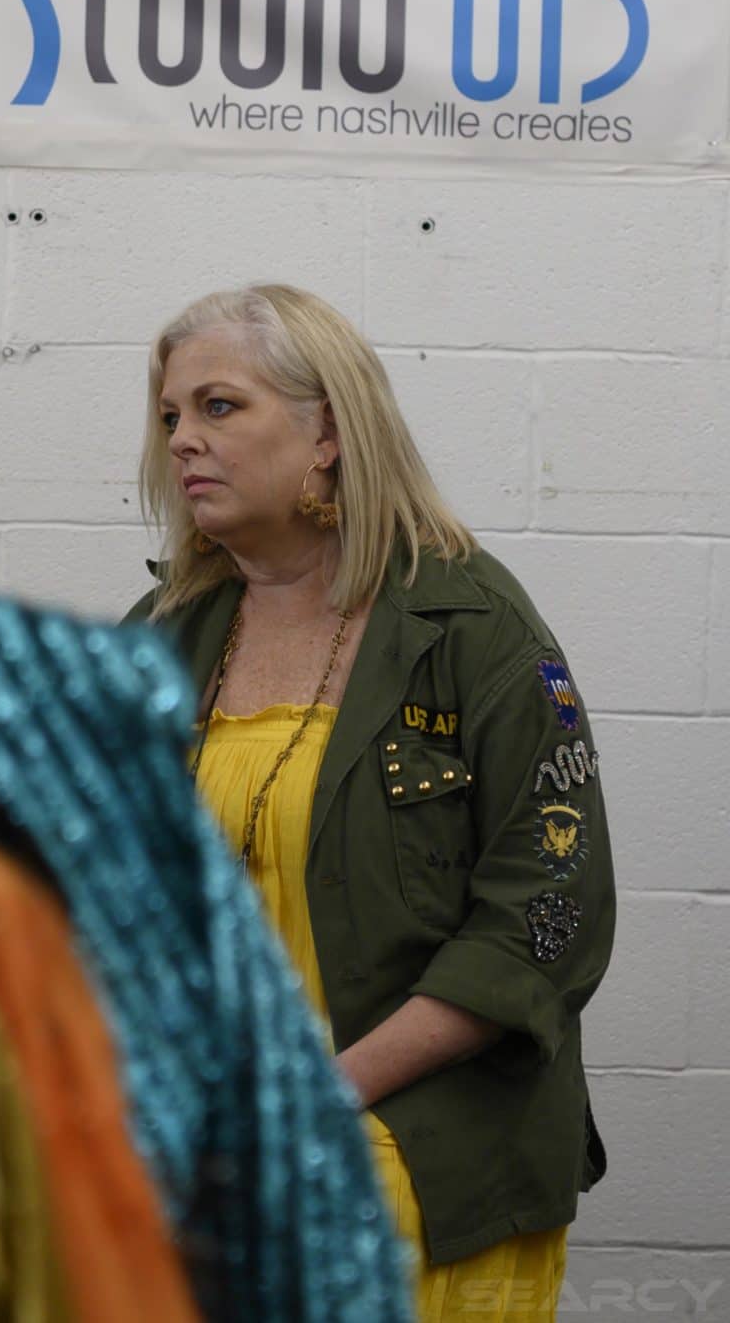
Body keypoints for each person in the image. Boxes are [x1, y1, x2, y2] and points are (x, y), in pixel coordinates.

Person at [125, 285, 612, 1321]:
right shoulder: (163, 632)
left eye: (219, 405)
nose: (182, 440)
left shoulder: (469, 625)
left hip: (421, 1151)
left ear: (328, 432)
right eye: (170, 415)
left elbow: (545, 920)